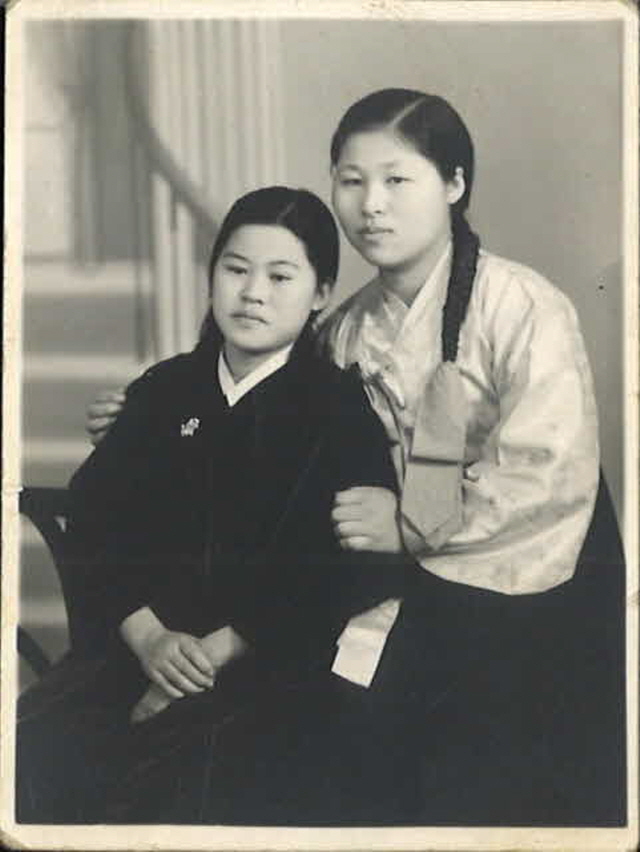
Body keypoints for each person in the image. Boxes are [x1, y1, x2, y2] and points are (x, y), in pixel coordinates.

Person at [84, 89, 626, 826]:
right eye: (351, 180)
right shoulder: (344, 330)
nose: (371, 204)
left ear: (455, 184)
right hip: (389, 580)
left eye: (397, 180)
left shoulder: (524, 306)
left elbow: (545, 475)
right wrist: (142, 417)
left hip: (524, 582)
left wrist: (407, 525)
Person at [16, 186, 410, 825]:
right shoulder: (164, 390)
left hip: (266, 672)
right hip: (137, 649)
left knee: (183, 783)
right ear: (212, 275)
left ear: (320, 293)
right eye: (236, 269)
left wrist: (223, 648)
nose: (253, 293)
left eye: (280, 277)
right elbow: (92, 522)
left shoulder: (338, 410)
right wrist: (146, 635)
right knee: (33, 753)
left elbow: (349, 570)